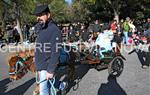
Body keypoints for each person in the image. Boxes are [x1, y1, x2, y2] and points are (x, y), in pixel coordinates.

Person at [32, 5, 66, 95]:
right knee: (48, 83)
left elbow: (56, 51)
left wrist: (50, 70)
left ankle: (61, 85)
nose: (38, 17)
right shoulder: (41, 28)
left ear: (48, 15)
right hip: (40, 63)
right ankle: (62, 85)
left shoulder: (54, 30)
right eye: (37, 16)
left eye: (41, 15)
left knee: (43, 90)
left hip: (47, 65)